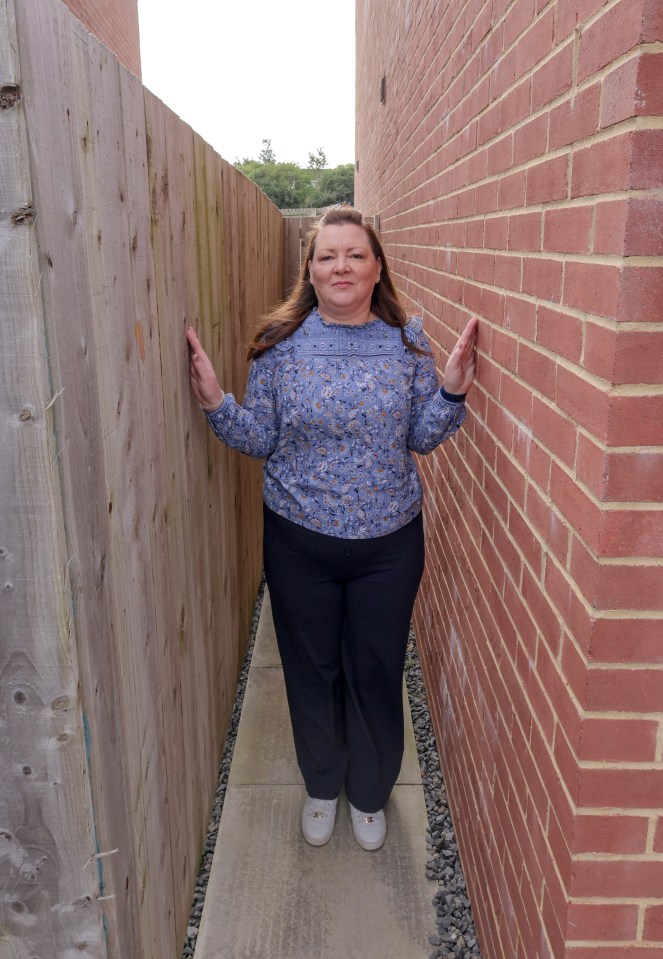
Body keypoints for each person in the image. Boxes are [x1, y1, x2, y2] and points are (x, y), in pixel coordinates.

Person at [187, 205, 477, 852]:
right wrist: (215, 403)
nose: (340, 265)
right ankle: (323, 782)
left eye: (354, 254)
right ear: (310, 270)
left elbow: (419, 438)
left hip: (387, 545)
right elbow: (261, 437)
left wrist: (451, 394)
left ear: (376, 268)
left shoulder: (407, 342)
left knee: (374, 667)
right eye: (327, 255)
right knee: (310, 666)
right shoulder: (279, 344)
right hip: (298, 540)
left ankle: (369, 791)